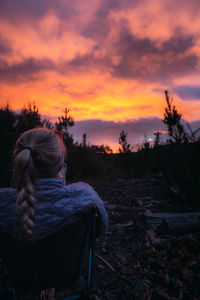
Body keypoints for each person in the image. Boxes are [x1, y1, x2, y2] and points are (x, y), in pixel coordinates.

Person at [0, 128, 108, 299]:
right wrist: (61, 182)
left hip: (22, 278)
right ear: (60, 164)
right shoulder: (85, 196)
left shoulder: (3, 202)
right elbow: (100, 230)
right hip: (66, 273)